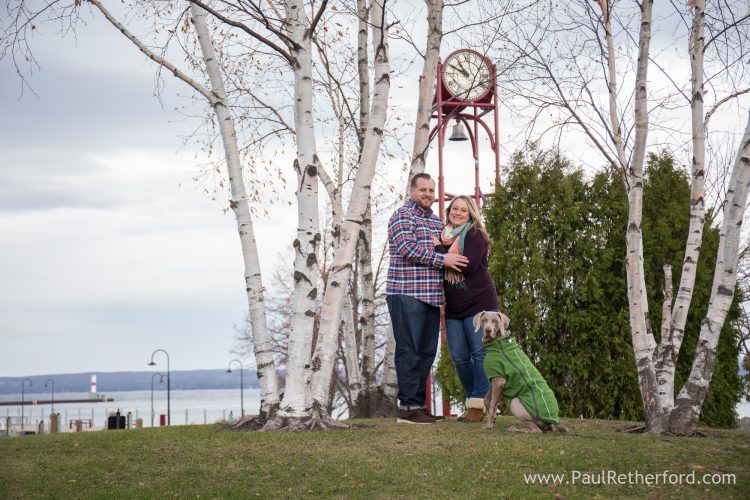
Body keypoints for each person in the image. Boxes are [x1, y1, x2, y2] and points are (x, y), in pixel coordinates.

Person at [386, 173, 469, 424]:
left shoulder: (435, 222)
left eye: (432, 190)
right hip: (406, 292)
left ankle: (419, 406)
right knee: (409, 350)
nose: (428, 194)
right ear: (412, 191)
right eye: (423, 190)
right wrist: (443, 258)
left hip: (432, 297)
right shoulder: (402, 216)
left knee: (426, 352)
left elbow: (450, 249)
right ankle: (407, 408)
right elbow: (408, 249)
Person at [433, 195, 499, 422]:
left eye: (463, 209)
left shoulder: (475, 234)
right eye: (455, 208)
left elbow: (466, 266)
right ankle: (477, 402)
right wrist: (440, 250)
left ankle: (477, 406)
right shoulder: (443, 235)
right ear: (449, 211)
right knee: (460, 357)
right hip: (454, 306)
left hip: (480, 304)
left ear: (471, 213)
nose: (458, 212)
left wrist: (438, 252)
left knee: (479, 354)